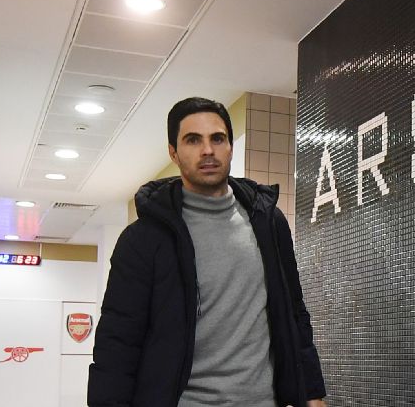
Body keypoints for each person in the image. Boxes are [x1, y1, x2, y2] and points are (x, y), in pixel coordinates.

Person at [88, 97, 327, 407]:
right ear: (173, 152)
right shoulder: (143, 240)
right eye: (192, 140)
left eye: (217, 138)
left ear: (230, 147)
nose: (207, 150)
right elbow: (118, 341)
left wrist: (312, 391)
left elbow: (293, 312)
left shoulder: (267, 222)